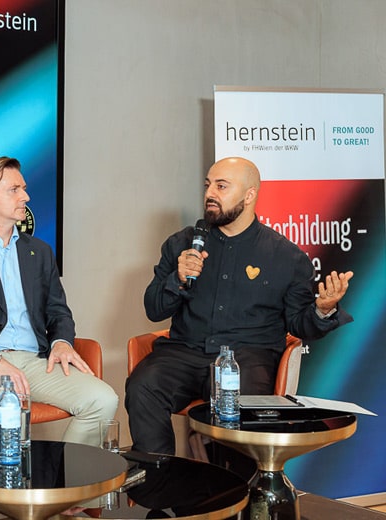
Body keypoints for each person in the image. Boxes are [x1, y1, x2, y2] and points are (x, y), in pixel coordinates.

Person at [126, 156, 354, 455]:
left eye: (221, 186)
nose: (210, 193)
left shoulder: (286, 257)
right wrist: (177, 279)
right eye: (208, 185)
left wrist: (323, 309)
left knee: (243, 406)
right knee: (143, 385)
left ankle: (237, 483)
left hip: (248, 358)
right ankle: (159, 475)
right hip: (185, 352)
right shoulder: (182, 243)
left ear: (249, 195)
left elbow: (300, 324)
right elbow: (154, 309)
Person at [0, 156, 118, 445]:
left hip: (35, 362)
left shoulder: (39, 251)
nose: (25, 197)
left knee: (103, 399)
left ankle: (64, 472)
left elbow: (58, 311)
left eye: (24, 189)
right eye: (14, 190)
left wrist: (61, 342)